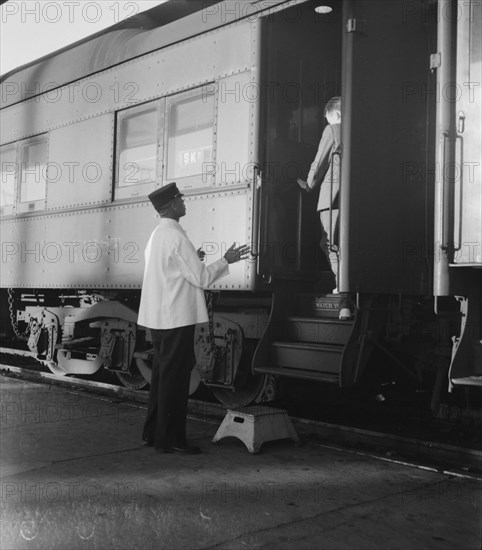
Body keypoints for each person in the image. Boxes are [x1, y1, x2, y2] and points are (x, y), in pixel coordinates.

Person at [137, 182, 250, 455]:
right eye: (181, 199)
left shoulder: (157, 235)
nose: (184, 203)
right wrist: (227, 259)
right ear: (173, 204)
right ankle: (171, 440)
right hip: (176, 318)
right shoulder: (176, 237)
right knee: (175, 382)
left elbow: (171, 270)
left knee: (162, 378)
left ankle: (152, 433)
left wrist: (195, 259)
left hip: (159, 318)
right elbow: (201, 278)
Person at [296, 96, 352, 320]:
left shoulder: (333, 130)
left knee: (330, 243)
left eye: (329, 119)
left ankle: (344, 291)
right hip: (352, 199)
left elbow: (319, 161)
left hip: (333, 199)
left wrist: (309, 183)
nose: (328, 123)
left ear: (336, 115)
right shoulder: (360, 131)